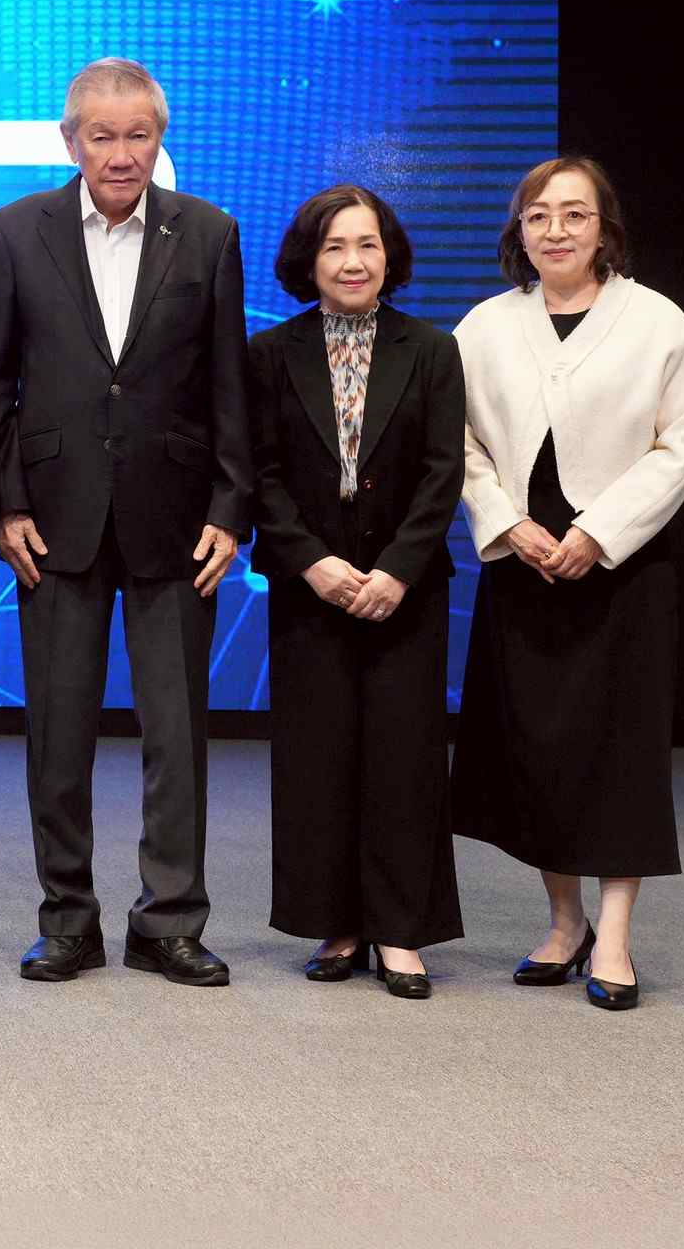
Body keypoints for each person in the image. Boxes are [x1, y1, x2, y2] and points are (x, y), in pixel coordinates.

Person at [0, 57, 254, 987]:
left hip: (178, 523)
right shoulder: (17, 232)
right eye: (103, 136)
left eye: (139, 135)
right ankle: (67, 919)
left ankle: (168, 920)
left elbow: (227, 385)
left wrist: (229, 508)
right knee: (58, 737)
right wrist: (6, 502)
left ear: (159, 138)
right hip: (53, 521)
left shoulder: (208, 232)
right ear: (72, 141)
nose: (122, 153)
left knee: (177, 738)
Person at [450, 157, 684, 1011]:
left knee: (621, 752)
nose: (555, 230)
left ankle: (617, 937)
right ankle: (565, 923)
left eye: (574, 214)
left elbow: (680, 445)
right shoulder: (485, 326)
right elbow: (456, 445)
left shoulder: (658, 322)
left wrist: (599, 533)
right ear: (518, 232)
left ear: (605, 228)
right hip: (525, 564)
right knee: (537, 753)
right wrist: (506, 522)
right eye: (538, 216)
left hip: (623, 568)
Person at [247, 185, 464, 1000]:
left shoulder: (431, 350)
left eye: (367, 244)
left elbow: (444, 472)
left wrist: (398, 569)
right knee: (320, 758)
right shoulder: (270, 353)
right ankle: (336, 922)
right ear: (309, 261)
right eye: (335, 246)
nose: (352, 261)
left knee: (405, 758)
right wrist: (311, 562)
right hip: (312, 589)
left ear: (389, 255)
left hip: (405, 589)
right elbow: (260, 473)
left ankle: (400, 930)